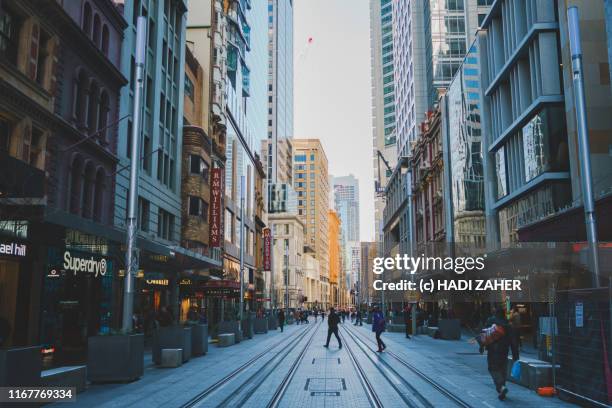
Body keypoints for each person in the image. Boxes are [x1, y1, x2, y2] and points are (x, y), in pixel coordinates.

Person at [483, 306, 516, 401]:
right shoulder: (507, 323)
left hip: (492, 350)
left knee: (492, 369)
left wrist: (482, 346)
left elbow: (484, 334)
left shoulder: (490, 320)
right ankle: (502, 389)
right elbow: (513, 340)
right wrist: (515, 354)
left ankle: (501, 387)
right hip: (504, 350)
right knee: (502, 369)